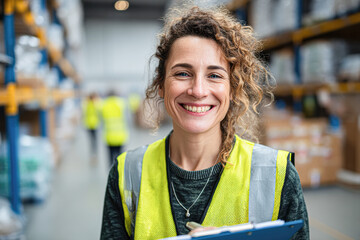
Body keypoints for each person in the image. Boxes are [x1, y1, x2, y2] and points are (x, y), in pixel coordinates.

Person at [101, 6, 309, 240]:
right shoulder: (126, 174)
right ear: (161, 84)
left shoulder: (277, 176)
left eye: (214, 75)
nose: (198, 91)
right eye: (182, 73)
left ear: (233, 89)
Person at [101, 90, 129, 167]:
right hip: (120, 134)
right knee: (120, 156)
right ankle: (119, 172)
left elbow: (101, 117)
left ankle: (111, 172)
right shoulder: (121, 103)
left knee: (110, 155)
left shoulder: (104, 104)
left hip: (109, 135)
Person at [82, 92, 101, 163]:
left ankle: (94, 155)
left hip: (91, 124)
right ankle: (94, 154)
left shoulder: (86, 104)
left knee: (93, 141)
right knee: (93, 141)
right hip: (92, 124)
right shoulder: (94, 104)